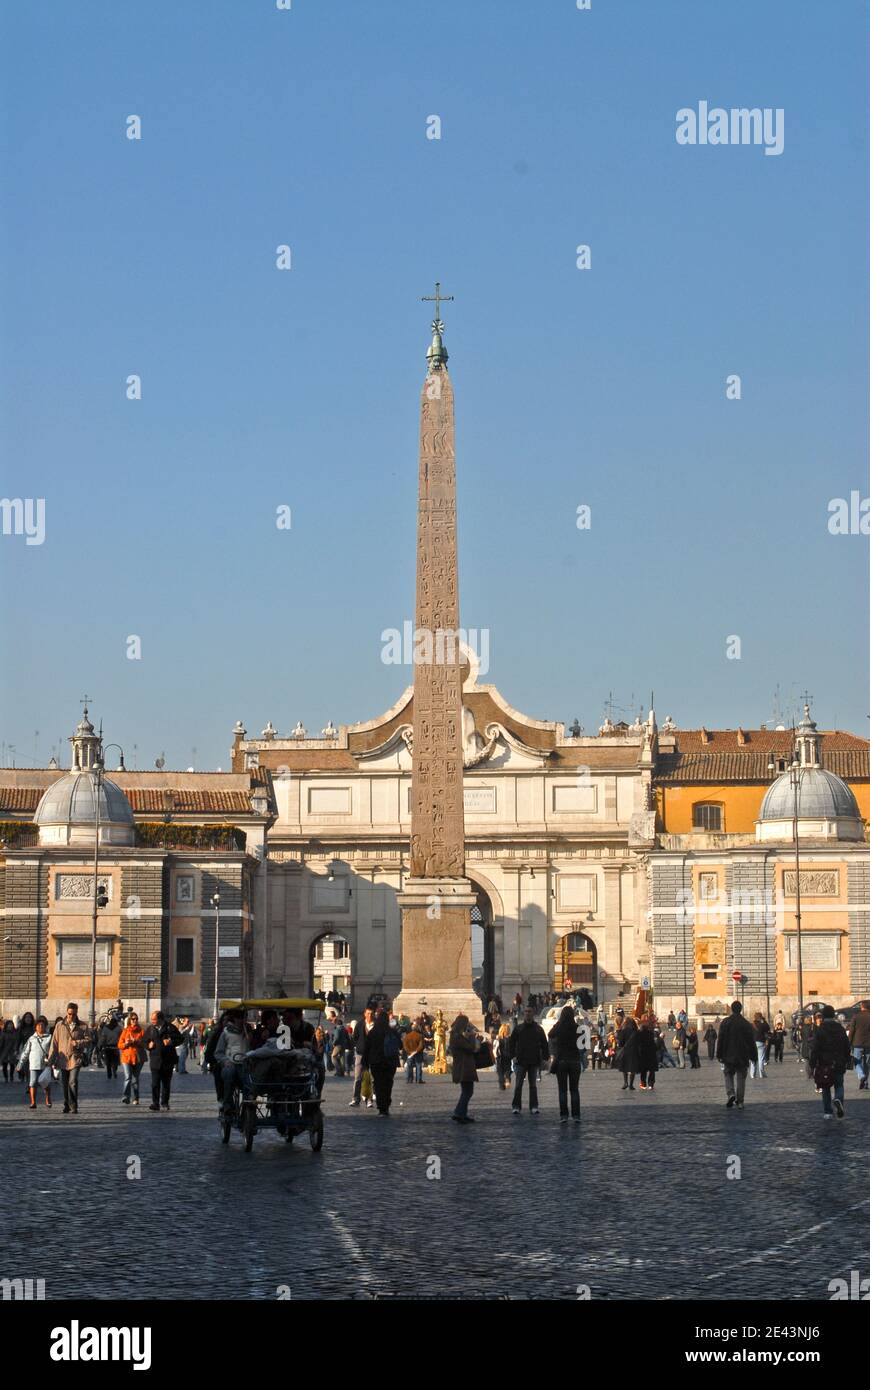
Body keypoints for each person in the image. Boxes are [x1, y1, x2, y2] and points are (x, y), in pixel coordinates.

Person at [47, 1003, 92, 1114]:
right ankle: (66, 1104)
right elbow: (54, 1043)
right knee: (65, 1083)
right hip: (63, 1059)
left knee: (73, 1082)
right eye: (69, 1014)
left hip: (75, 1058)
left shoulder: (83, 1026)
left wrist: (77, 1043)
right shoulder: (59, 1025)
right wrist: (50, 1059)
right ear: (67, 1012)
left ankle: (74, 1106)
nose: (71, 1016)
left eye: (74, 1014)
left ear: (77, 1013)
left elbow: (89, 1041)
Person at [809, 1005, 851, 1120]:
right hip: (839, 1062)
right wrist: (847, 1058)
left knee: (825, 1086)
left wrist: (812, 1064)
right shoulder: (840, 1028)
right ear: (833, 1015)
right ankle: (838, 1099)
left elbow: (815, 1048)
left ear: (823, 1016)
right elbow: (847, 1045)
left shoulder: (820, 1029)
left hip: (824, 1063)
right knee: (839, 1085)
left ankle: (828, 1112)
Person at [508, 1006, 549, 1114]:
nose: (527, 1013)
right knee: (518, 1085)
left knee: (533, 1086)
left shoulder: (538, 1029)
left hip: (534, 1061)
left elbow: (545, 1044)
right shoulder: (518, 1028)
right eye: (526, 1011)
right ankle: (516, 1106)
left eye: (529, 1011)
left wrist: (545, 1058)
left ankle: (534, 1106)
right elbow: (511, 1043)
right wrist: (513, 1056)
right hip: (521, 1061)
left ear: (533, 1013)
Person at [716, 1000, 756, 1109]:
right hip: (743, 1055)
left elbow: (721, 1039)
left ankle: (731, 1094)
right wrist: (754, 1056)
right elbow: (751, 1042)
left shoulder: (725, 1022)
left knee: (728, 1074)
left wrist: (718, 1054)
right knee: (741, 1078)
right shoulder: (746, 1024)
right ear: (741, 1009)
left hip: (728, 1054)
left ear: (731, 1009)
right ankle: (740, 1101)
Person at [142, 1010, 183, 1112]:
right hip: (155, 1061)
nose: (152, 1021)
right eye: (151, 1019)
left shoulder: (170, 1027)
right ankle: (155, 1103)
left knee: (166, 1084)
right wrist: (148, 1046)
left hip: (167, 1061)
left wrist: (171, 1042)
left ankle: (164, 1102)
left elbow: (180, 1039)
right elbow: (144, 1041)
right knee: (155, 1084)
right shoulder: (150, 1029)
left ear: (160, 1019)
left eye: (154, 1019)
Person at [361, 1011, 400, 1115]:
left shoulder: (373, 1032)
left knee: (378, 1084)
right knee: (388, 1084)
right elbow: (400, 1045)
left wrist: (364, 1062)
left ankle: (381, 1106)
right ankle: (386, 1105)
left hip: (376, 1062)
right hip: (390, 1062)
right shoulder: (392, 1031)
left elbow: (367, 1048)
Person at [214, 1009, 250, 1115]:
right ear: (235, 1019)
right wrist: (225, 1061)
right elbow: (218, 1053)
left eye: (244, 1018)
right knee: (229, 1074)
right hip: (231, 1064)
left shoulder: (249, 1032)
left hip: (246, 1065)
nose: (243, 1021)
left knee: (251, 1081)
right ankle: (228, 1104)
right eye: (240, 1018)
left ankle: (249, 1106)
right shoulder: (226, 1033)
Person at [549, 1005, 582, 1122]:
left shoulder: (559, 1027)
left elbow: (550, 1034)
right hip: (574, 1060)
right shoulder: (577, 1027)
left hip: (561, 1061)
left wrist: (557, 1024)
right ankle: (576, 1115)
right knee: (574, 1089)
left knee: (562, 1090)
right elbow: (583, 1042)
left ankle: (564, 1116)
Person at [449, 1013, 479, 1123]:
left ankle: (463, 1114)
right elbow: (470, 1048)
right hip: (463, 1067)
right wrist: (471, 1036)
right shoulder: (457, 1037)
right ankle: (458, 1113)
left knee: (467, 1091)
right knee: (467, 1092)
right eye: (466, 1023)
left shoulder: (456, 1035)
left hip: (463, 1066)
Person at [19, 1016, 52, 1109]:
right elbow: (25, 1051)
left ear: (45, 1026)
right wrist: (20, 1064)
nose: (41, 1026)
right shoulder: (31, 1038)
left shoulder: (49, 1037)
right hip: (33, 1064)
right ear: (36, 1027)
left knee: (45, 1083)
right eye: (39, 1025)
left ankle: (47, 1098)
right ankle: (33, 1102)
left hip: (45, 1064)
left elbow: (53, 1050)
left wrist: (52, 1060)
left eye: (42, 1025)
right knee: (32, 1083)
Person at [349, 1008, 375, 1107]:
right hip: (360, 1054)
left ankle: (369, 1100)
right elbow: (355, 1037)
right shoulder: (359, 1025)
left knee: (370, 1079)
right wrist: (360, 1046)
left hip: (372, 1055)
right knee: (357, 1078)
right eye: (368, 1013)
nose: (370, 1015)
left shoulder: (376, 1025)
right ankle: (355, 1099)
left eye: (372, 1013)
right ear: (365, 1014)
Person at [118, 1011, 145, 1105]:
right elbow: (119, 1045)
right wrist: (126, 1043)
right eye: (133, 1019)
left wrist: (137, 1041)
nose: (135, 1020)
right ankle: (126, 1096)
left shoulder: (141, 1031)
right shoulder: (125, 1031)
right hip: (126, 1057)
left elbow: (145, 1044)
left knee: (135, 1078)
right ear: (130, 1020)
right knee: (128, 1077)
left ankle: (136, 1097)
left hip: (138, 1057)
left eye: (136, 1019)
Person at [847, 1000, 870, 1091]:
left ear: (862, 1007)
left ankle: (861, 1076)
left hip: (857, 1043)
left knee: (857, 1061)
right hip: (869, 1044)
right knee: (867, 1064)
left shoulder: (856, 1016)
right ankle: (866, 1083)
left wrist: (848, 1042)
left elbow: (851, 1031)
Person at [616, 1012, 641, 1091]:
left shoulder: (623, 1031)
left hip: (626, 1052)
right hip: (634, 1051)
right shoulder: (636, 1032)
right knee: (632, 1068)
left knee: (625, 1068)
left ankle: (625, 1082)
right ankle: (631, 1084)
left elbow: (620, 1043)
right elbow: (639, 1042)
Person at [635, 1014, 659, 1092]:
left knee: (643, 1070)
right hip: (651, 1053)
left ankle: (643, 1083)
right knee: (651, 1070)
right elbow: (655, 1044)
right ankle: (651, 1084)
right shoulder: (651, 1034)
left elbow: (637, 1044)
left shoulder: (639, 1034)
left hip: (643, 1053)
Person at [98, 1015, 122, 1080]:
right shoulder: (119, 1028)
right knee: (115, 1061)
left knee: (108, 1062)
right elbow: (121, 1038)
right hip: (115, 1047)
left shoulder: (105, 1028)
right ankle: (114, 1070)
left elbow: (103, 1038)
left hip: (107, 1047)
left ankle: (109, 1074)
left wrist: (100, 1046)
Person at [403, 1019, 425, 1084]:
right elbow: (421, 1046)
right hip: (418, 1053)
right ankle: (418, 1079)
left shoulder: (407, 1036)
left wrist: (410, 1052)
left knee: (409, 1067)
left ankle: (409, 1080)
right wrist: (416, 1051)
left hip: (410, 1054)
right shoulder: (420, 1036)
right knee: (418, 1067)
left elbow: (405, 1046)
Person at [750, 1013, 771, 1079]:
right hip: (761, 1042)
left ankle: (752, 1074)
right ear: (761, 1017)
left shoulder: (751, 1025)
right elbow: (768, 1028)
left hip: (753, 1043)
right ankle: (762, 1074)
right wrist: (764, 1021)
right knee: (761, 1059)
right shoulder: (762, 1024)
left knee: (753, 1059)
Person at [495, 1019, 512, 1090]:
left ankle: (501, 1085)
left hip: (499, 1057)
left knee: (500, 1071)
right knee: (508, 1069)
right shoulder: (510, 1039)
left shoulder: (498, 1039)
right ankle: (507, 1079)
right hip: (508, 1056)